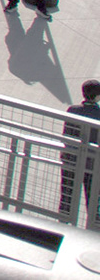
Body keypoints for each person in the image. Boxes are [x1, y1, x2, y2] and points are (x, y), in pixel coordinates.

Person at [62, 79, 100, 224]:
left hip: (71, 160)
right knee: (93, 197)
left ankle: (63, 221)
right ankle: (94, 225)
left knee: (67, 194)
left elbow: (67, 136)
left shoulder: (73, 110)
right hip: (93, 164)